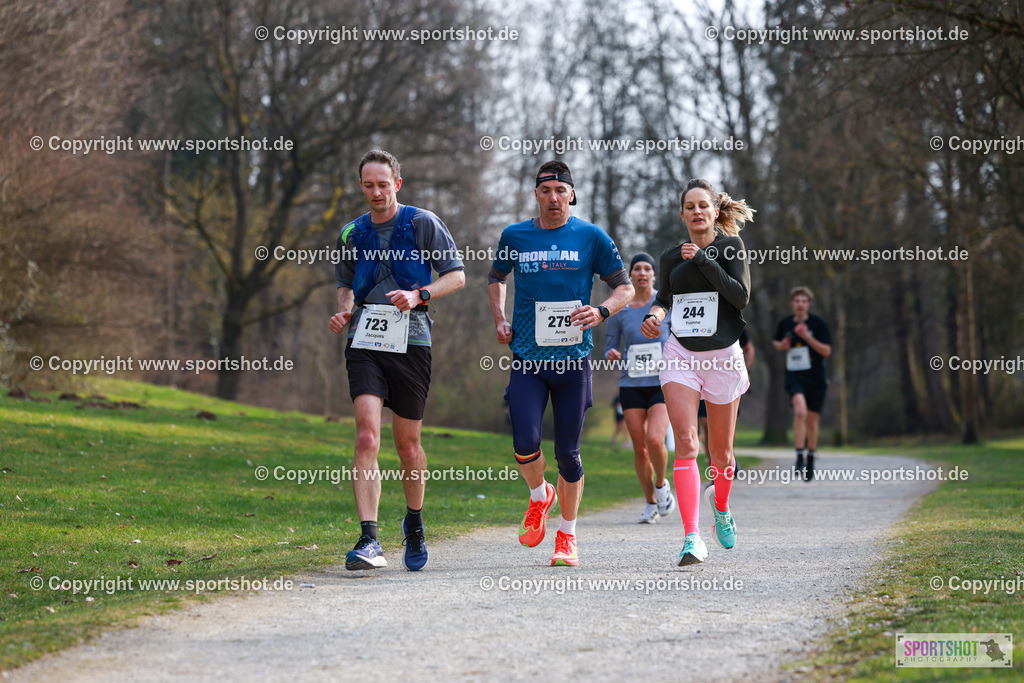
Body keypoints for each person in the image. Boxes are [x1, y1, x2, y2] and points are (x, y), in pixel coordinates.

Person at [489, 160, 634, 567]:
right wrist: (500, 318)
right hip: (528, 360)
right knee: (524, 443)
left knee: (569, 455)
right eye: (545, 191)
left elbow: (623, 287)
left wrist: (603, 312)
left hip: (573, 362)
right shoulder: (514, 235)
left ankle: (567, 537)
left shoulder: (591, 236)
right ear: (536, 194)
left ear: (571, 194)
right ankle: (540, 496)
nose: (553, 198)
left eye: (560, 191)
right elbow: (496, 277)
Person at [329, 149, 466, 571]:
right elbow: (344, 284)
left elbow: (457, 275)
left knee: (408, 446)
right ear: (361, 186)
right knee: (367, 437)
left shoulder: (421, 223)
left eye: (382, 185)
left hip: (413, 341)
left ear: (397, 184)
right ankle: (369, 540)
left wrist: (419, 295)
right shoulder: (351, 233)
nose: (375, 192)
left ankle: (415, 522)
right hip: (365, 341)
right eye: (368, 185)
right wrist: (346, 309)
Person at [640, 178, 754, 565]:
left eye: (703, 205)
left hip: (722, 355)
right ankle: (692, 537)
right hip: (681, 354)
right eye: (690, 206)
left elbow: (740, 297)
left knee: (721, 455)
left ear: (715, 210)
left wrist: (703, 260)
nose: (697, 212)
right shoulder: (671, 257)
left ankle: (720, 507)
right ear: (683, 213)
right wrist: (655, 318)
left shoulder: (730, 247)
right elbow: (663, 299)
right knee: (688, 443)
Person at [605, 253, 675, 524]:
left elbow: (679, 340)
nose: (642, 273)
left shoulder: (665, 304)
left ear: (654, 275)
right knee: (640, 448)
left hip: (661, 384)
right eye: (637, 269)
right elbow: (610, 344)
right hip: (631, 384)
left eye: (647, 268)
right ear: (631, 275)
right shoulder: (621, 308)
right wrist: (611, 352)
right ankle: (650, 504)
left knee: (655, 440)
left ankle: (661, 485)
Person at [772, 286, 831, 481]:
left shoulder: (818, 323)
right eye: (797, 301)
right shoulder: (785, 323)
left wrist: (807, 337)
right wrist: (782, 345)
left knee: (812, 422)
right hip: (794, 375)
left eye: (804, 301)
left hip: (815, 376)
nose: (800, 304)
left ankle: (811, 457)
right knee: (800, 412)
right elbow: (776, 342)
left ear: (809, 304)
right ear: (791, 303)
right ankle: (799, 456)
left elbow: (826, 351)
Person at [698, 329, 754, 475]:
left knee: (728, 426)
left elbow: (749, 349)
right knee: (706, 424)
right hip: (703, 380)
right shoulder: (698, 322)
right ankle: (713, 467)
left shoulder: (733, 321)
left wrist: (745, 369)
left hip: (728, 379)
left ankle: (728, 455)